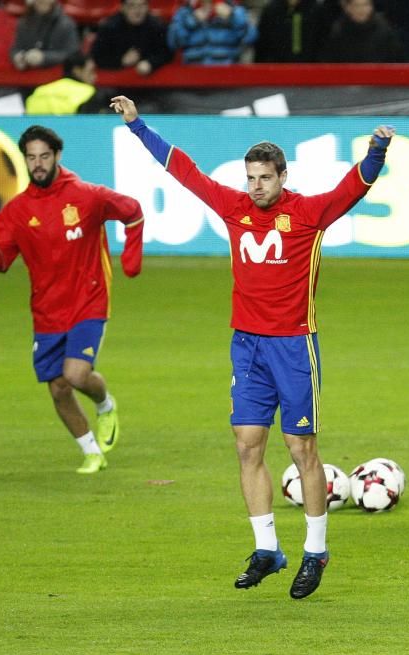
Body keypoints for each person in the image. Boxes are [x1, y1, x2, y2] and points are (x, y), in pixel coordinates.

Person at [109, 94, 394, 599]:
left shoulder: (308, 213)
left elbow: (355, 186)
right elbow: (184, 170)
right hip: (248, 346)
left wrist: (376, 149)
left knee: (302, 449)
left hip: (293, 346)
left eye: (264, 177)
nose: (255, 186)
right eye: (250, 177)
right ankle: (268, 549)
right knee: (246, 446)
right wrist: (138, 126)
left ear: (282, 177)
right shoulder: (234, 207)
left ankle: (315, 551)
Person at [0, 125, 144, 474]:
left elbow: (133, 211)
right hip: (47, 311)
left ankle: (105, 404)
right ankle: (92, 452)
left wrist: (131, 259)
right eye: (31, 157)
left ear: (57, 156)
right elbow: (2, 261)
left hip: (88, 301)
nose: (38, 164)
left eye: (44, 156)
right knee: (59, 389)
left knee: (76, 375)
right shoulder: (18, 211)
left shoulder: (87, 196)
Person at [91, 0, 173, 76]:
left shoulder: (157, 26)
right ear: (122, 8)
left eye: (142, 5)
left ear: (148, 7)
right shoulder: (108, 28)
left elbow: (167, 53)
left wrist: (151, 63)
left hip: (151, 79)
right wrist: (121, 61)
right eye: (131, 5)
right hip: (116, 78)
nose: (137, 11)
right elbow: (97, 57)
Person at [167, 0, 256, 65]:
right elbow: (174, 43)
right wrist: (192, 20)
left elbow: (250, 39)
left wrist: (232, 16)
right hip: (192, 76)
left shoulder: (235, 10)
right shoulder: (185, 11)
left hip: (227, 76)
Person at [318, 0, 405, 63]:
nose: (361, 10)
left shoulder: (385, 31)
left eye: (366, 5)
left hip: (379, 84)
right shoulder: (338, 31)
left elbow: (397, 60)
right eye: (357, 6)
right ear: (348, 8)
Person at [25, 52, 111, 114]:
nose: (95, 76)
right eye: (91, 71)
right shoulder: (88, 92)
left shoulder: (40, 90)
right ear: (77, 71)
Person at [10, 0, 80, 71]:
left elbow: (72, 55)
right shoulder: (24, 22)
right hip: (29, 75)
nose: (41, 1)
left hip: (57, 75)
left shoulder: (66, 24)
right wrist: (17, 57)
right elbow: (16, 48)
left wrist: (44, 57)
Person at [254, 0, 324, 63]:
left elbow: (322, 43)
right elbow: (262, 47)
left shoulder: (316, 10)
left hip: (311, 69)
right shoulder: (272, 10)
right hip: (276, 69)